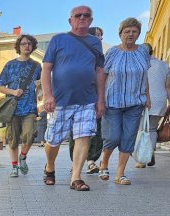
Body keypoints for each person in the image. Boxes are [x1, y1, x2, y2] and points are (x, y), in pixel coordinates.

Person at [41, 5, 105, 191]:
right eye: (78, 15)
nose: (82, 18)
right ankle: (50, 167)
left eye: (86, 15)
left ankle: (76, 177)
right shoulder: (58, 40)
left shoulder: (95, 43)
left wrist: (100, 100)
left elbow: (99, 72)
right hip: (60, 100)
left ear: (91, 20)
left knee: (83, 136)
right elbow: (46, 69)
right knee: (53, 140)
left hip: (87, 100)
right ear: (70, 20)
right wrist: (47, 95)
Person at [98, 18, 150, 185]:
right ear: (120, 34)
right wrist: (100, 99)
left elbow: (144, 76)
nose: (130, 34)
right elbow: (103, 76)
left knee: (128, 138)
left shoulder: (142, 51)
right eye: (127, 31)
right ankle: (104, 163)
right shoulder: (112, 52)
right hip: (112, 102)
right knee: (112, 137)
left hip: (135, 102)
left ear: (138, 35)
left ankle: (120, 174)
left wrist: (147, 96)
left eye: (134, 31)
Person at [0, 34, 42, 178]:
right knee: (13, 139)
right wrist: (13, 92)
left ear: (33, 46)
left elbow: (40, 87)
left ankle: (23, 157)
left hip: (29, 107)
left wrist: (40, 92)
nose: (26, 46)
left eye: (29, 43)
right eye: (23, 44)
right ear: (19, 47)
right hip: (13, 108)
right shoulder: (10, 65)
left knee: (30, 135)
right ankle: (14, 166)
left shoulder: (36, 66)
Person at [68, 26, 105, 174]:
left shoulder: (102, 57)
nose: (99, 38)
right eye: (96, 35)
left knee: (95, 131)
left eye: (100, 36)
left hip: (96, 98)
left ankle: (91, 161)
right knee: (76, 132)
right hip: (77, 98)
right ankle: (76, 162)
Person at [134, 43, 170, 167]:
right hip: (159, 99)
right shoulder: (164, 65)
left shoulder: (137, 64)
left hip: (141, 99)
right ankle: (150, 153)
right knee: (152, 128)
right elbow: (168, 86)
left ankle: (142, 159)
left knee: (141, 128)